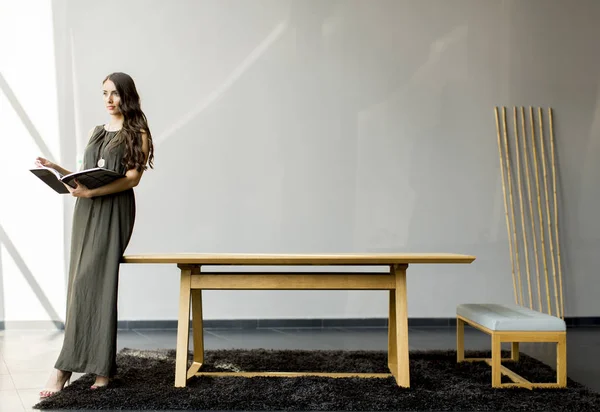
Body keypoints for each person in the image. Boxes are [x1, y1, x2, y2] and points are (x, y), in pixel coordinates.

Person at [37, 72, 154, 398]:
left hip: (113, 210)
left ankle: (65, 369)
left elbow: (132, 179)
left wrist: (91, 195)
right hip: (85, 212)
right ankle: (100, 368)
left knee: (97, 282)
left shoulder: (137, 132)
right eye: (104, 93)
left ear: (126, 95)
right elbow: (85, 174)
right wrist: (57, 169)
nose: (108, 99)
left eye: (114, 93)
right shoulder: (96, 131)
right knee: (80, 283)